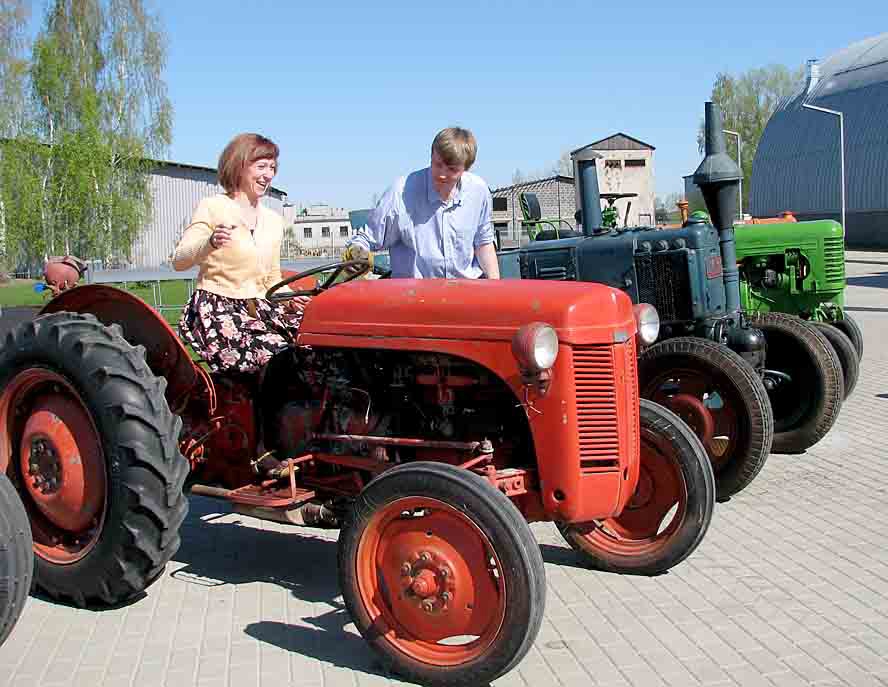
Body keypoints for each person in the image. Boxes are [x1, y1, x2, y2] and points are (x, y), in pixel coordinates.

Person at [172, 133, 308, 377]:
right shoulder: (213, 207)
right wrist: (209, 243)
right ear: (240, 165)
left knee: (316, 344)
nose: (268, 174)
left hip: (261, 306)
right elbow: (179, 260)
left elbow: (272, 279)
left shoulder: (274, 221)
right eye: (262, 166)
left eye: (273, 168)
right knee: (278, 356)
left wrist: (291, 299)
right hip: (219, 308)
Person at [344, 127, 500, 280]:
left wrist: (496, 290)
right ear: (431, 155)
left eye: (452, 170)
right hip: (414, 296)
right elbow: (365, 239)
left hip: (466, 292)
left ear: (466, 168)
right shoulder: (401, 193)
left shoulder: (478, 192)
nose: (442, 175)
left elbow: (484, 243)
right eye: (437, 164)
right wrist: (357, 253)